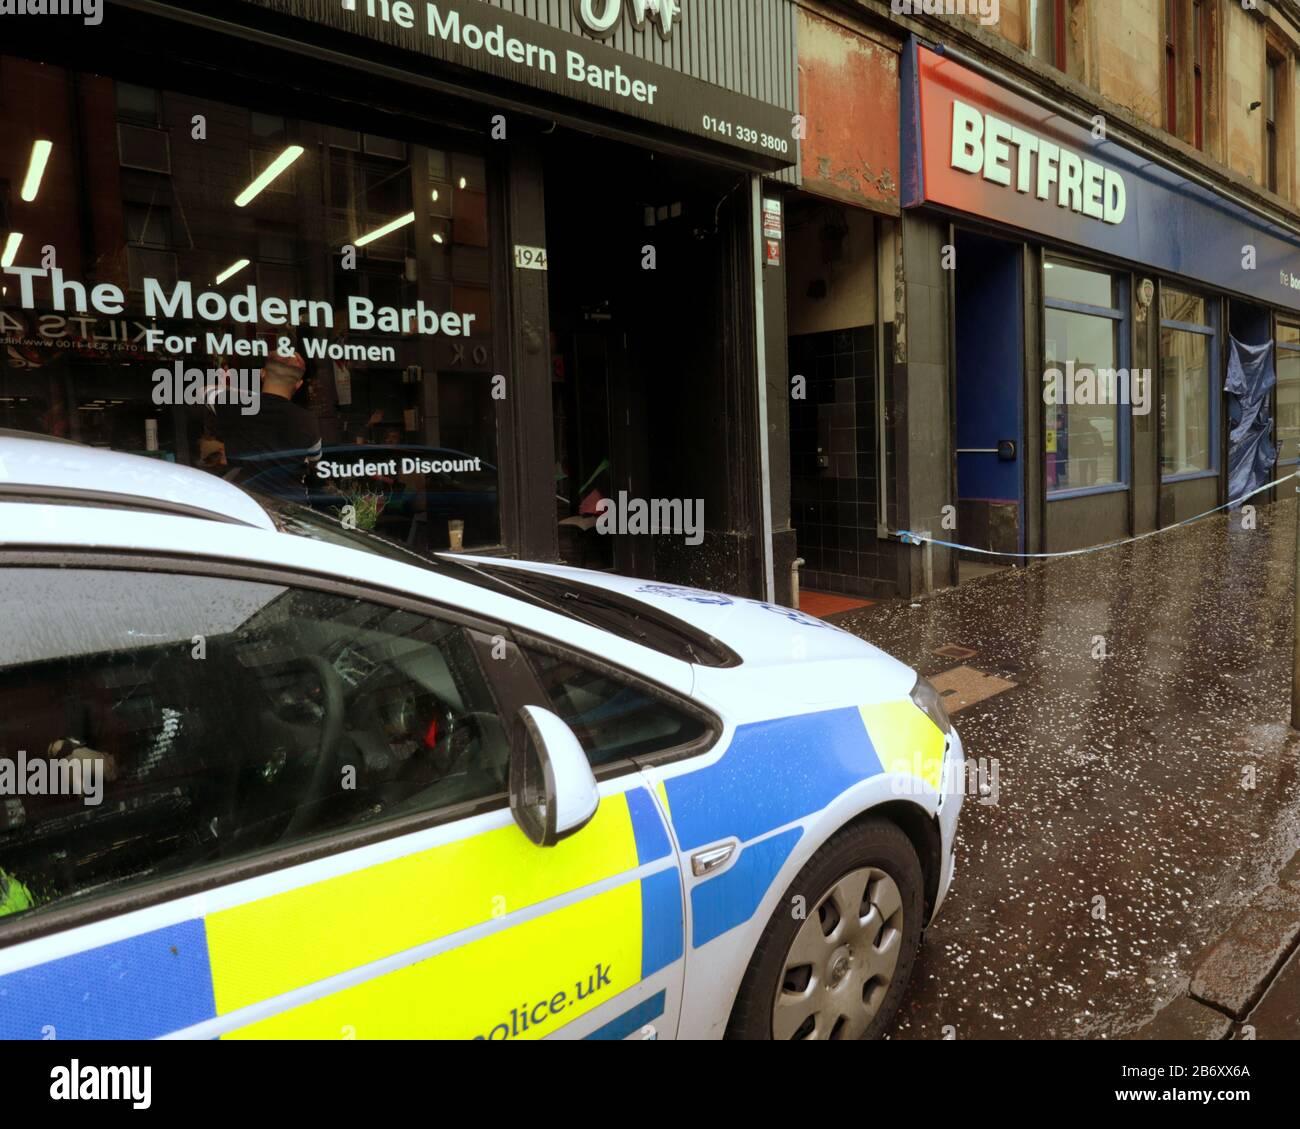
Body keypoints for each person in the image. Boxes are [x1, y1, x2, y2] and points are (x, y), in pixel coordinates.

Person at [213, 351, 322, 495]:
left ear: (262, 374)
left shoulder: (235, 406)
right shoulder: (307, 420)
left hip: (246, 503)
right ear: (298, 384)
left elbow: (205, 391)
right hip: (291, 506)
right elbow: (315, 456)